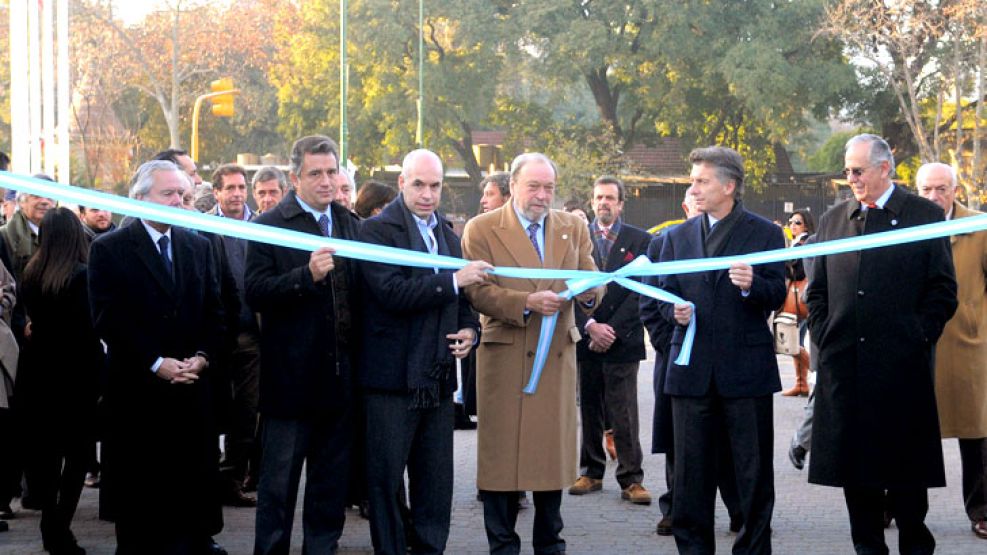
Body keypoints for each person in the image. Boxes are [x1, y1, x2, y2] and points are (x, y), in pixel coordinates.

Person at [806, 134, 957, 554]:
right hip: (847, 372)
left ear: (885, 168)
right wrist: (825, 334)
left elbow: (942, 290)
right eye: (847, 171)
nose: (850, 178)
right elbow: (816, 291)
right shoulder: (834, 220)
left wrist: (917, 336)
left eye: (858, 170)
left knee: (907, 478)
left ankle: (914, 545)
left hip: (901, 372)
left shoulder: (923, 215)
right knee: (858, 480)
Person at [461, 152, 603, 554]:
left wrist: (592, 291)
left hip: (556, 357)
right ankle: (502, 544)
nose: (542, 196)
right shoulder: (482, 228)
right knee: (501, 464)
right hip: (505, 360)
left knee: (549, 462)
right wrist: (525, 302)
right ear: (513, 187)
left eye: (549, 188)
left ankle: (550, 545)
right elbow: (477, 290)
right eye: (534, 187)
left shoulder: (573, 227)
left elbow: (592, 275)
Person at [89, 160, 227, 555]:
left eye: (183, 195)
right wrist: (155, 362)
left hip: (190, 395)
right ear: (140, 197)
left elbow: (215, 312)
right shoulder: (109, 248)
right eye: (168, 194)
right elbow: (107, 319)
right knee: (141, 517)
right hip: (138, 398)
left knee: (190, 508)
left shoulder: (198, 246)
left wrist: (201, 357)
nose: (178, 202)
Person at [358, 149, 488, 554]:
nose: (428, 194)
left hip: (436, 378)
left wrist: (469, 331)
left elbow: (464, 301)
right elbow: (391, 293)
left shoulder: (448, 235)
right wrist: (452, 282)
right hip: (391, 380)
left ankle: (431, 547)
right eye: (419, 184)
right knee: (385, 478)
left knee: (436, 480)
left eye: (434, 185)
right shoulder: (376, 232)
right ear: (402, 183)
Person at [657, 146, 785, 553]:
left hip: (745, 371)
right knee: (690, 478)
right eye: (692, 180)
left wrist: (752, 286)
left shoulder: (764, 233)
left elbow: (777, 292)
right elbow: (660, 293)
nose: (693, 187)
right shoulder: (675, 237)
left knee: (752, 474)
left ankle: (752, 547)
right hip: (691, 372)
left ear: (729, 186)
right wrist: (670, 311)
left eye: (701, 180)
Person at [245, 135, 362, 554]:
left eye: (332, 172)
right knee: (277, 490)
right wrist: (304, 277)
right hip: (290, 384)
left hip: (340, 384)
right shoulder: (270, 225)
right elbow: (255, 291)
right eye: (317, 173)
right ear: (296, 178)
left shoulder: (350, 224)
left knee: (329, 491)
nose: (327, 181)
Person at [640, 186, 744, 537]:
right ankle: (677, 508)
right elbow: (650, 302)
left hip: (725, 364)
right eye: (693, 202)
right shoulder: (665, 243)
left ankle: (738, 509)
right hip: (680, 360)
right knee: (680, 443)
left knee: (728, 443)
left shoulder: (733, 241)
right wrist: (672, 338)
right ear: (685, 207)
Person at [18, 207, 104, 555]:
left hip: (39, 374)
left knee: (49, 457)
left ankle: (50, 526)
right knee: (78, 457)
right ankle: (57, 529)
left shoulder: (31, 271)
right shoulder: (82, 276)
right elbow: (89, 332)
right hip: (75, 378)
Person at [915, 162, 987, 540]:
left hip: (967, 346)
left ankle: (982, 510)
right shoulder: (905, 227)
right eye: (926, 189)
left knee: (977, 434)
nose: (934, 196)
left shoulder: (977, 227)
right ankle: (897, 507)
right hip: (916, 345)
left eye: (941, 189)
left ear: (955, 191)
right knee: (908, 432)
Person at [569, 176, 652, 505]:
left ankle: (632, 479)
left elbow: (641, 292)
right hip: (586, 337)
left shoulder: (641, 240)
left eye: (610, 198)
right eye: (598, 198)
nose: (603, 203)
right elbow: (566, 288)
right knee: (589, 407)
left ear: (620, 204)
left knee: (624, 411)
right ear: (592, 202)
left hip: (623, 339)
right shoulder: (576, 238)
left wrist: (610, 329)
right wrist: (589, 325)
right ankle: (591, 471)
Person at [205, 164, 260, 508]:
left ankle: (233, 478)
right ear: (216, 193)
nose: (237, 193)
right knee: (212, 409)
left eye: (242, 187)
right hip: (216, 335)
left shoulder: (261, 228)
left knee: (248, 410)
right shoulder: (205, 227)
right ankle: (208, 477)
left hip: (252, 336)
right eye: (230, 188)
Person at [781, 208, 815, 397]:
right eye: (791, 221)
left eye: (797, 222)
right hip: (795, 297)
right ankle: (801, 382)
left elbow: (802, 271)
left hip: (800, 297)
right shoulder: (796, 243)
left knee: (791, 340)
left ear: (807, 225)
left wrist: (786, 264)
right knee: (794, 340)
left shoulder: (805, 242)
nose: (792, 225)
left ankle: (820, 373)